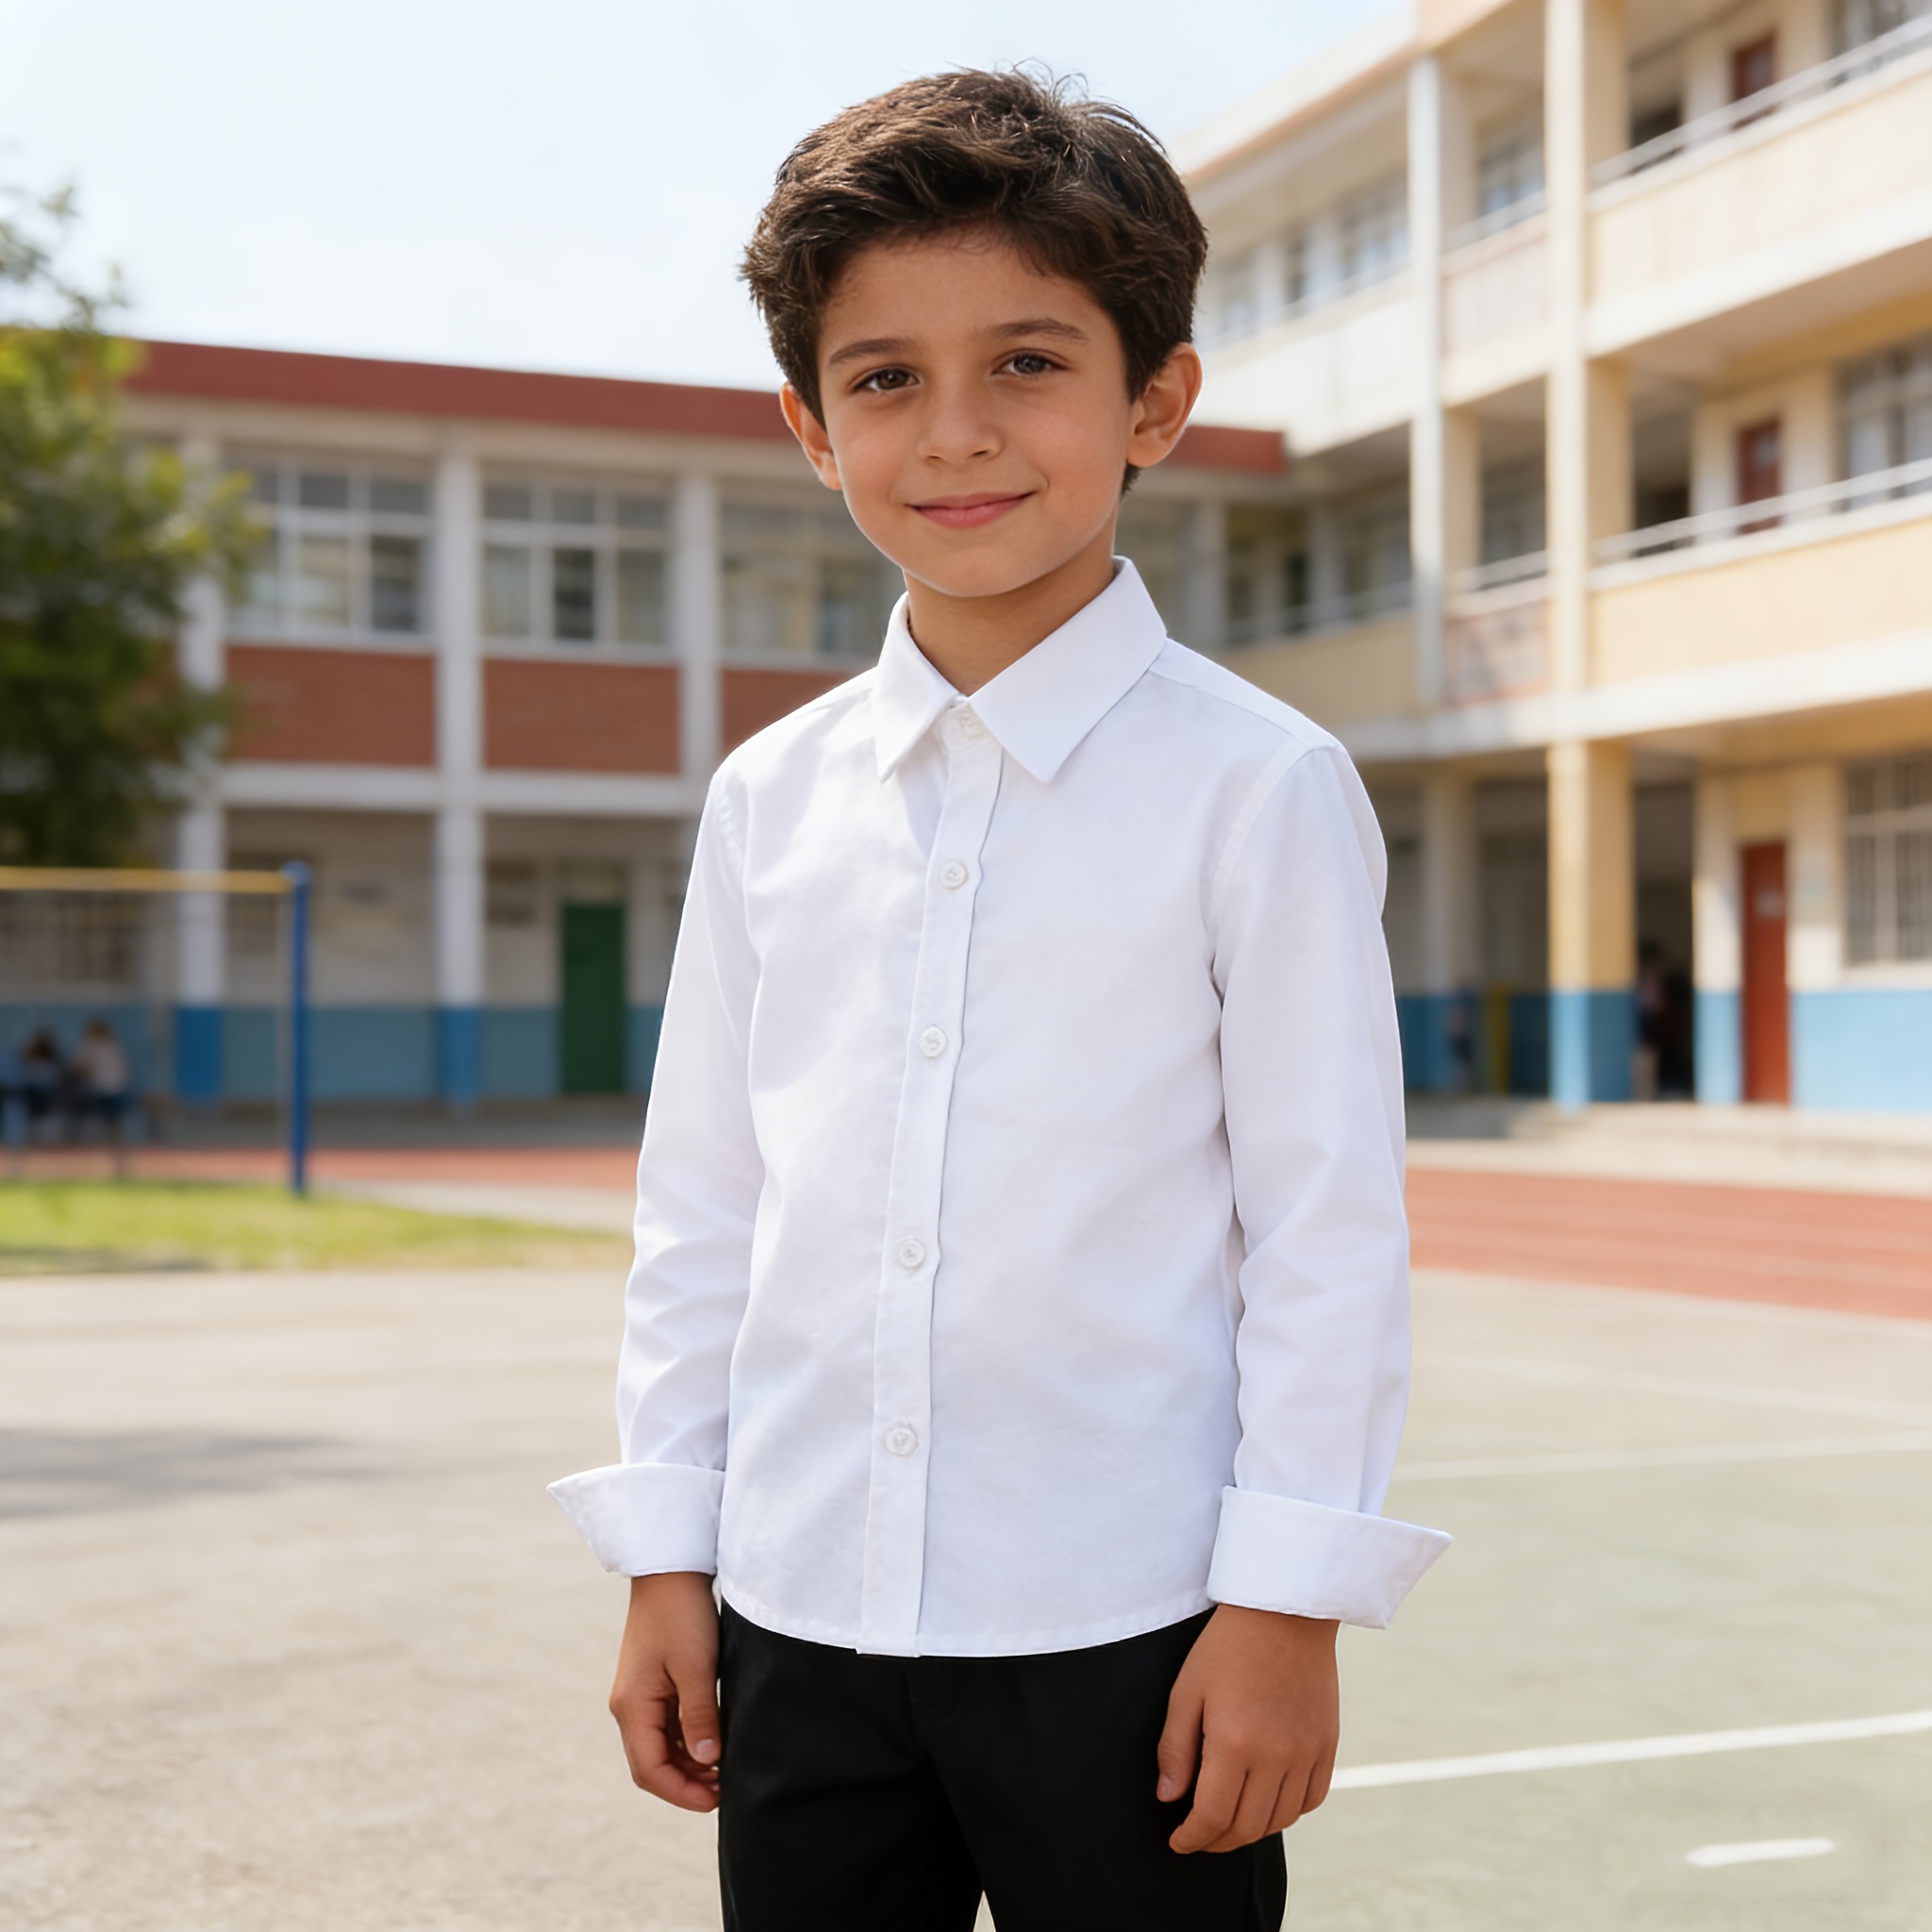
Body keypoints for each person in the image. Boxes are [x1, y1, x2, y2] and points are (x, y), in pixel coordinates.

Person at [551, 69, 1449, 1932]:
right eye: (884, 378)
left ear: (1157, 401)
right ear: (811, 427)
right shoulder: (767, 799)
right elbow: (706, 1205)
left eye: (1027, 363)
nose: (955, 434)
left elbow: (1324, 1229)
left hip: (1125, 1631)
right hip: (796, 1611)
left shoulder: (1255, 787)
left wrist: (1285, 1605)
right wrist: (668, 1552)